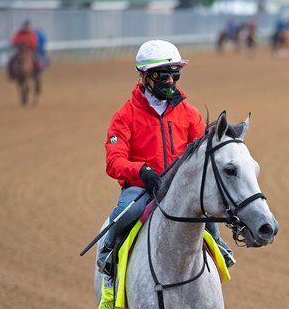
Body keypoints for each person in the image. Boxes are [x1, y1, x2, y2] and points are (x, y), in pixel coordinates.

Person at [97, 39, 235, 276]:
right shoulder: (124, 116)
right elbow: (114, 162)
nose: (171, 81)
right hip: (142, 188)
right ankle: (108, 250)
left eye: (175, 75)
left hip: (180, 187)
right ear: (144, 77)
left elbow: (203, 154)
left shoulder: (189, 113)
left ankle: (218, 244)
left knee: (209, 208)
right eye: (163, 75)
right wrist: (142, 172)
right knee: (127, 211)